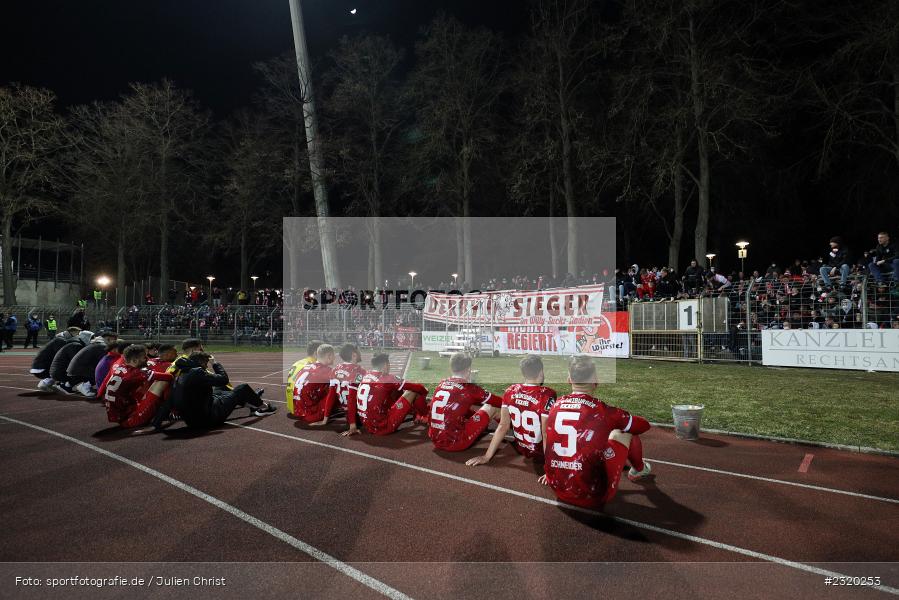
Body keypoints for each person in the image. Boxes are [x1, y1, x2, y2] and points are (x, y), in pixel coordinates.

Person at [540, 356, 652, 510]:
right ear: (596, 380)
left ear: (569, 379)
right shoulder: (603, 411)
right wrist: (622, 421)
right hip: (593, 496)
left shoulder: (554, 406)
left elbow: (548, 440)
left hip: (557, 488)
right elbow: (644, 426)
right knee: (623, 431)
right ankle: (639, 469)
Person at [466, 355, 556, 467]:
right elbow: (545, 433)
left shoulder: (510, 391)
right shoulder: (547, 394)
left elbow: (503, 425)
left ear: (523, 373)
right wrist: (550, 466)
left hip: (521, 447)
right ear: (541, 372)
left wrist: (487, 456)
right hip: (540, 452)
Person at [171, 351, 275, 428]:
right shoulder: (197, 372)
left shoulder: (182, 371)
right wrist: (215, 363)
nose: (207, 366)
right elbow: (224, 379)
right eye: (206, 363)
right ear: (200, 362)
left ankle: (252, 406)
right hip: (208, 419)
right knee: (242, 388)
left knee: (221, 387)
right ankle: (264, 407)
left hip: (192, 419)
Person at [428, 353, 501, 452]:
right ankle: (517, 431)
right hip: (456, 442)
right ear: (469, 369)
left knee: (467, 408)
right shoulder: (469, 388)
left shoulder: (441, 384)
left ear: (451, 368)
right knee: (492, 407)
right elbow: (499, 402)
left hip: (435, 439)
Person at [341, 353, 428, 436]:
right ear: (386, 365)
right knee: (414, 391)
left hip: (367, 425)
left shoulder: (361, 376)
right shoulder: (388, 378)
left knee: (393, 391)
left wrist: (352, 425)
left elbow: (351, 399)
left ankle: (414, 412)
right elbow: (418, 387)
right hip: (383, 426)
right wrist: (424, 393)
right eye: (389, 364)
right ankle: (426, 416)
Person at [103, 344, 174, 429]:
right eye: (144, 357)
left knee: (145, 383)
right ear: (135, 360)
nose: (147, 359)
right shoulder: (136, 372)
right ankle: (168, 413)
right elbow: (168, 377)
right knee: (161, 382)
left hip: (120, 414)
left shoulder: (121, 367)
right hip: (130, 419)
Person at [292, 344, 341, 424]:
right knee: (340, 387)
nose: (335, 358)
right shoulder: (325, 370)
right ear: (329, 356)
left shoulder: (307, 367)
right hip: (310, 414)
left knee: (327, 385)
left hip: (299, 410)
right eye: (333, 355)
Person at [67, 330, 118, 396]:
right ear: (108, 339)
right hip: (78, 373)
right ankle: (84, 385)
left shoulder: (97, 343)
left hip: (74, 371)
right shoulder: (102, 346)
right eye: (114, 340)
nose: (116, 343)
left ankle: (84, 384)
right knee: (103, 371)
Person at [285, 339, 323, 413]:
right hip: (303, 408)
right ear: (316, 353)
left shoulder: (297, 363)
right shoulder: (315, 365)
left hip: (291, 406)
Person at [331, 343, 367, 411]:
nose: (360, 353)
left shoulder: (335, 370)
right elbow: (354, 395)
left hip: (339, 408)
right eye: (358, 351)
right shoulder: (360, 371)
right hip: (353, 410)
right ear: (354, 355)